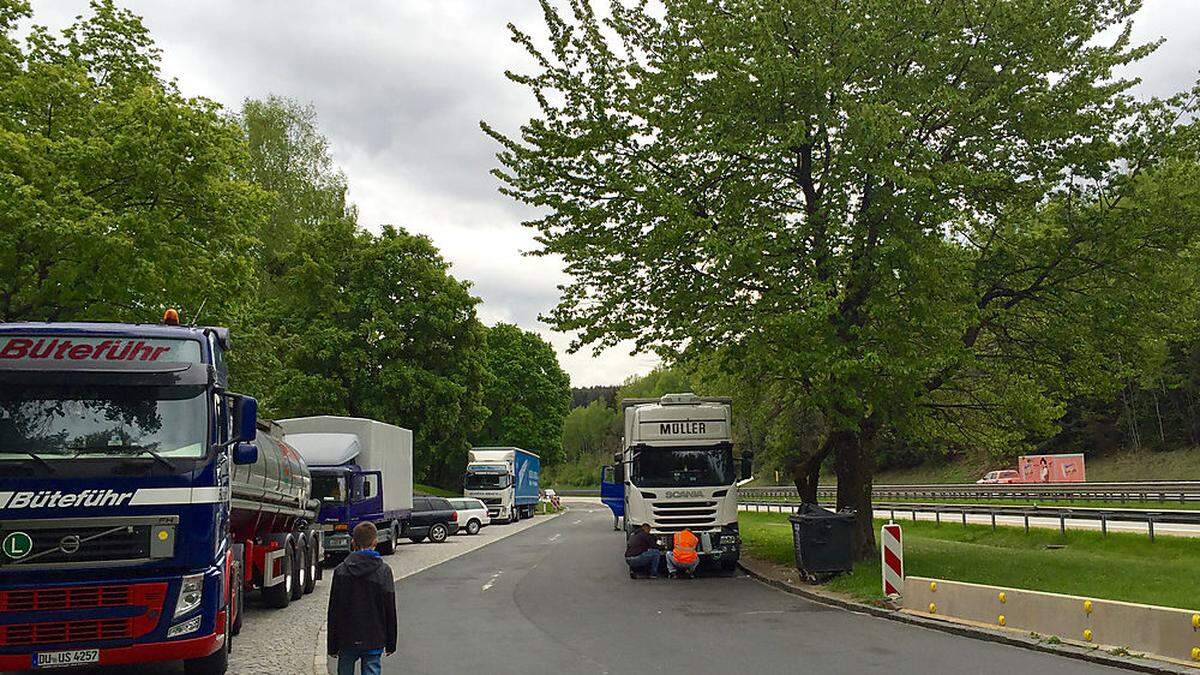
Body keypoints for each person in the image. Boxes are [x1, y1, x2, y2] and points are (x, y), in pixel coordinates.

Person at [327, 522, 398, 675]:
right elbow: (389, 608)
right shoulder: (384, 571)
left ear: (353, 543)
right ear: (375, 542)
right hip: (374, 636)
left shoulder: (341, 571)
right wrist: (391, 642)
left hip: (347, 637)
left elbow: (334, 610)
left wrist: (332, 645)